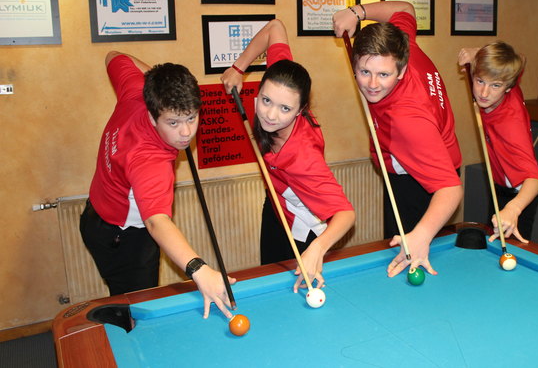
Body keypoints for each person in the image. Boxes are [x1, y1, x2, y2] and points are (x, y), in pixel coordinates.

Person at [80, 51, 235, 319]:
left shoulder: (135, 89)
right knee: (136, 310)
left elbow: (113, 56)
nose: (186, 132)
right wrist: (199, 269)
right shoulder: (150, 161)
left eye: (191, 118)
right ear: (153, 117)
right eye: (173, 123)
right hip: (122, 238)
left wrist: (157, 84)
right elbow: (156, 221)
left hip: (96, 214)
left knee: (125, 298)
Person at [221, 19, 355, 292]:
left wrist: (317, 249)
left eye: (284, 109)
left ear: (300, 110)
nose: (270, 114)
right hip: (275, 205)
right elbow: (276, 27)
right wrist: (238, 68)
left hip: (304, 226)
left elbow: (346, 214)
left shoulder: (303, 158)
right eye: (266, 100)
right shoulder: (282, 79)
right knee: (268, 281)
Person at [332, 1, 463, 278]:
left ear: (401, 72)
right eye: (364, 71)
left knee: (408, 259)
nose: (372, 84)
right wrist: (357, 12)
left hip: (424, 185)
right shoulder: (402, 45)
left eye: (383, 75)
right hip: (427, 159)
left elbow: (451, 188)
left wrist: (422, 234)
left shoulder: (407, 120)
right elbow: (405, 9)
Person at [458, 42, 538, 243]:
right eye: (480, 81)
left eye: (495, 85)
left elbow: (534, 180)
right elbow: (521, 57)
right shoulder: (506, 74)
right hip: (499, 182)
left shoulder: (509, 126)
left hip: (518, 194)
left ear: (509, 86)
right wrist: (475, 52)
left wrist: (513, 209)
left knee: (510, 253)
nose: (484, 93)